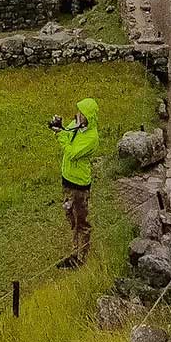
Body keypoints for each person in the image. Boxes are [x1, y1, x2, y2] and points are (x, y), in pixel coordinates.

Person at [49, 98, 100, 268]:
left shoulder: (92, 138)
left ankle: (79, 258)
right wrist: (59, 128)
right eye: (78, 111)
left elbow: (72, 152)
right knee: (70, 214)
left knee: (82, 221)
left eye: (82, 113)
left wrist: (60, 135)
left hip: (79, 184)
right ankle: (75, 248)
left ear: (89, 117)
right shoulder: (76, 124)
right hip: (68, 179)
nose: (78, 115)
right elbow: (67, 135)